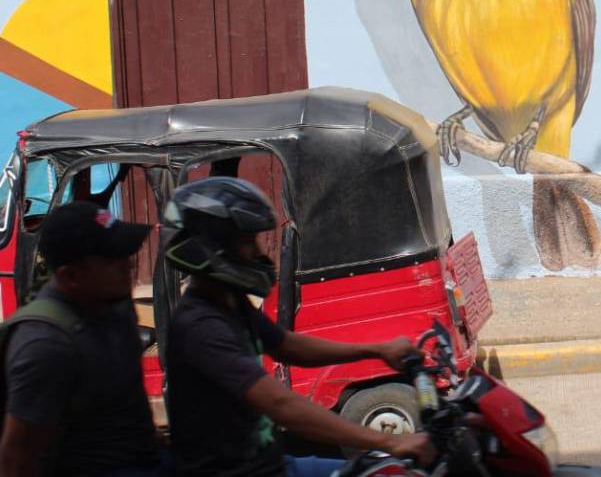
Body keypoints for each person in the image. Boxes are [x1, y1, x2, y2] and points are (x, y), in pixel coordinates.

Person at [162, 177, 436, 477]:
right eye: (246, 243)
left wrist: (375, 349)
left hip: (275, 464)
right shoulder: (201, 328)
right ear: (208, 250)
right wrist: (389, 441)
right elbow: (282, 406)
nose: (258, 253)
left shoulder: (230, 303)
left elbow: (286, 345)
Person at [0, 200, 161, 477]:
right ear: (71, 276)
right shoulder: (45, 346)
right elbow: (15, 458)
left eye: (126, 254)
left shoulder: (115, 305)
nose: (128, 266)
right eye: (113, 259)